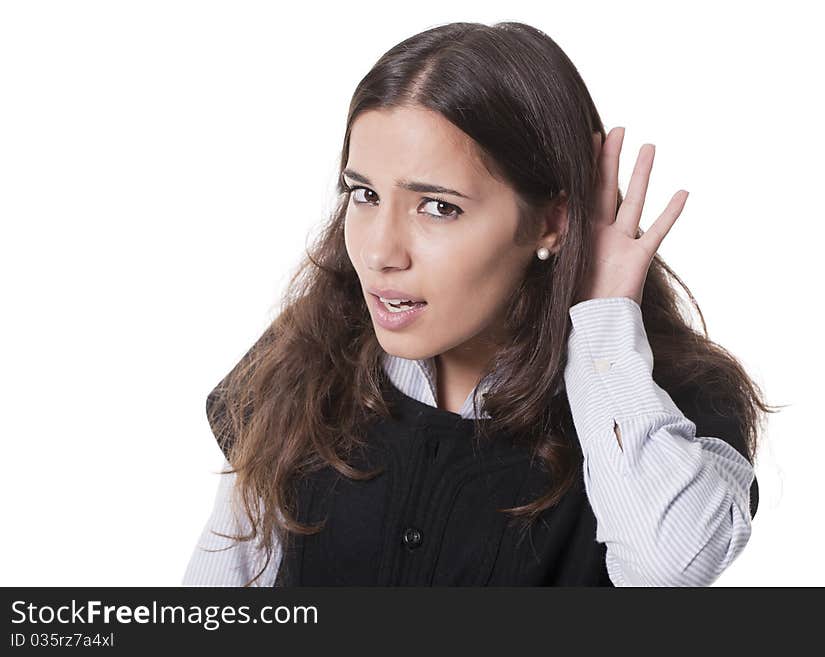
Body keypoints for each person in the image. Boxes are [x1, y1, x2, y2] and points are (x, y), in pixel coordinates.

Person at [182, 20, 774, 587]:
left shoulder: (673, 394)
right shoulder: (307, 356)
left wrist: (604, 323)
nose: (379, 252)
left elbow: (667, 567)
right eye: (363, 194)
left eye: (437, 207)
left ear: (551, 221)